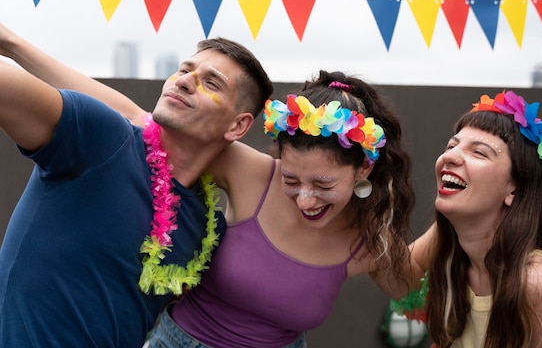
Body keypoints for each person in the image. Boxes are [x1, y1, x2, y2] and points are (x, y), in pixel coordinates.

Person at [4, 34, 431, 346]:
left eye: (323, 185)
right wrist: (11, 42)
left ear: (363, 170)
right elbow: (133, 116)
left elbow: (406, 280)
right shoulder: (238, 168)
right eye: (291, 179)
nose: (304, 198)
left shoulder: (365, 234)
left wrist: (453, 214)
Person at [0, 23, 273, 347]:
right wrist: (11, 42)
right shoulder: (102, 138)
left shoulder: (207, 227)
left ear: (238, 125)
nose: (185, 81)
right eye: (184, 70)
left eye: (211, 82)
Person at [422, 90, 542, 348]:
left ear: (515, 189)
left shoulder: (536, 282)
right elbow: (390, 269)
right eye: (452, 145)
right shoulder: (451, 262)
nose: (449, 156)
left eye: (479, 153)